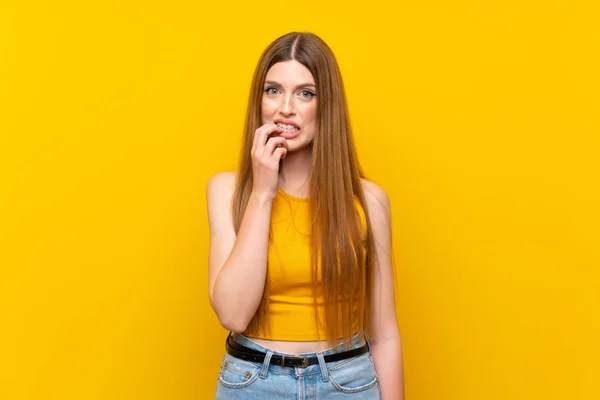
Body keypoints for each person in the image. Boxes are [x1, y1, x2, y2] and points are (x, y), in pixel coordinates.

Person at [206, 31, 404, 399]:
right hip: (252, 383)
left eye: (305, 93)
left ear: (326, 104)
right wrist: (263, 192)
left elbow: (385, 333)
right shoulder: (227, 191)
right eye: (273, 90)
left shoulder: (368, 202)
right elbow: (232, 314)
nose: (285, 108)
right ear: (259, 100)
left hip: (347, 382)